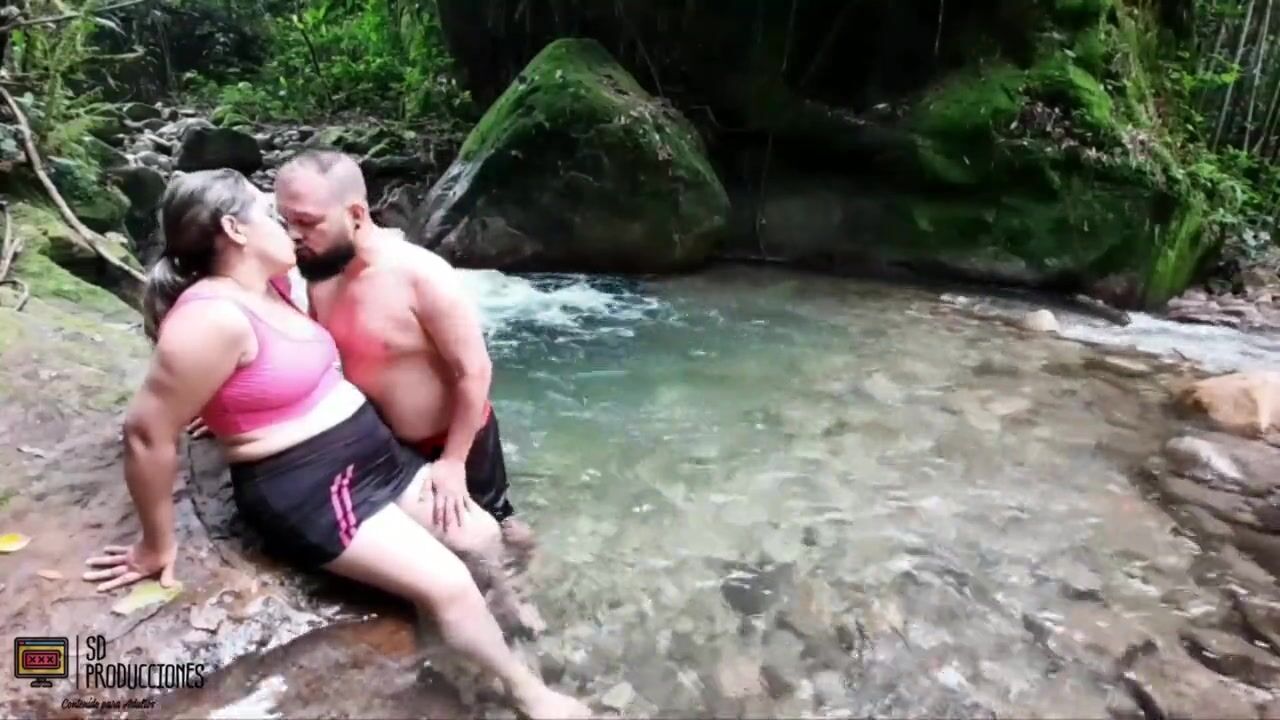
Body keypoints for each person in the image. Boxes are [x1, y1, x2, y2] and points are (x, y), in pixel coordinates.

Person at [80, 168, 589, 720]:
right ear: (235, 229)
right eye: (271, 214)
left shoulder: (272, 286)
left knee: (483, 534)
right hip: (313, 486)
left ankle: (512, 617)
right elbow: (146, 432)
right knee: (450, 586)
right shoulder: (210, 318)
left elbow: (254, 375)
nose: (287, 228)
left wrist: (219, 406)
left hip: (377, 458)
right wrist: (155, 544)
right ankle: (527, 694)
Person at [272, 151, 542, 631]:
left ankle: (522, 599)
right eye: (284, 220)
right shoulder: (320, 272)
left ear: (356, 214)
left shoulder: (420, 275)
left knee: (496, 528)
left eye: (307, 222)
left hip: (455, 439)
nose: (293, 235)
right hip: (386, 443)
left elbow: (474, 371)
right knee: (439, 548)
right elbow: (318, 351)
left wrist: (453, 462)